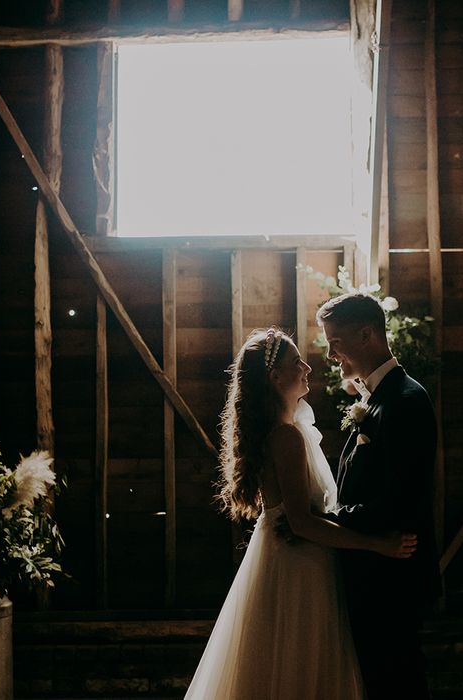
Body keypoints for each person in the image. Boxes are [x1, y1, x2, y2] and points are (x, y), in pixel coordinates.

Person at [184, 328, 417, 699]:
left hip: (289, 559)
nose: (307, 367)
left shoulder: (286, 432)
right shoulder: (286, 437)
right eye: (297, 362)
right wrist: (377, 544)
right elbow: (302, 522)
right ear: (275, 377)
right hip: (299, 568)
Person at [317, 292, 442, 699]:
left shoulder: (405, 400)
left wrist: (329, 519)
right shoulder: (375, 397)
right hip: (373, 567)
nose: (332, 355)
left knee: (397, 680)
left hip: (391, 573)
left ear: (367, 333)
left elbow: (397, 499)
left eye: (335, 342)